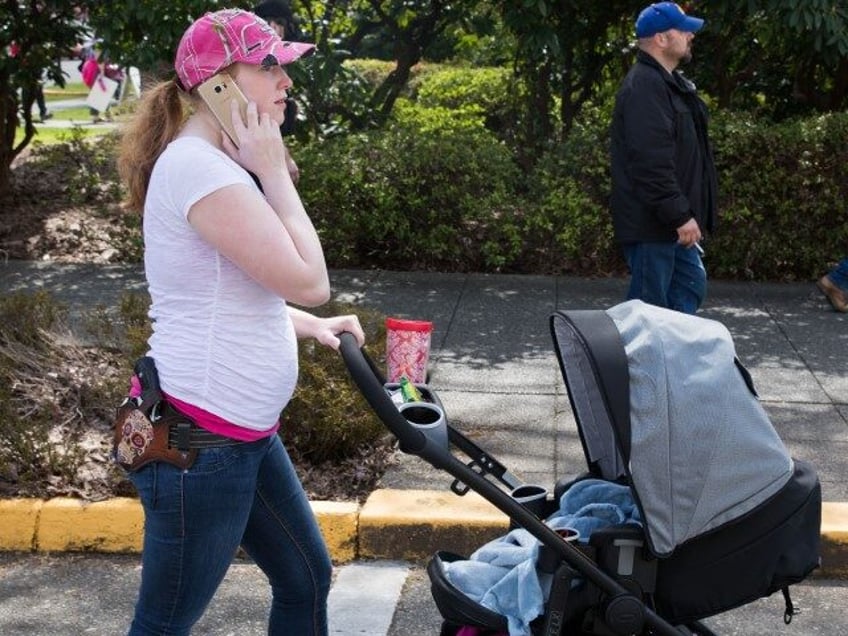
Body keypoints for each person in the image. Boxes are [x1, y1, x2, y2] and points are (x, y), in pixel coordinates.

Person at [116, 8, 364, 635]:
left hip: (239, 436)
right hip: (206, 446)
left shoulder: (214, 166)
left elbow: (224, 291)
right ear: (219, 83)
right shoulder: (199, 168)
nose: (286, 82)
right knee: (162, 626)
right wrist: (275, 170)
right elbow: (311, 280)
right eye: (271, 66)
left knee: (306, 577)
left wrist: (311, 327)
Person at [609, 2, 717, 314]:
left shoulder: (667, 84)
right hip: (654, 224)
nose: (690, 36)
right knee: (648, 311)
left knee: (688, 286)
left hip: (666, 223)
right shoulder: (645, 86)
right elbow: (650, 162)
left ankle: (668, 360)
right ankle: (639, 362)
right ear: (661, 38)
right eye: (684, 30)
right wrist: (679, 215)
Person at [253, 0, 305, 181]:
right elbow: (253, 113)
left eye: (280, 22)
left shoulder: (278, 57)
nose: (274, 27)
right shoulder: (250, 58)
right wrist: (284, 155)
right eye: (267, 21)